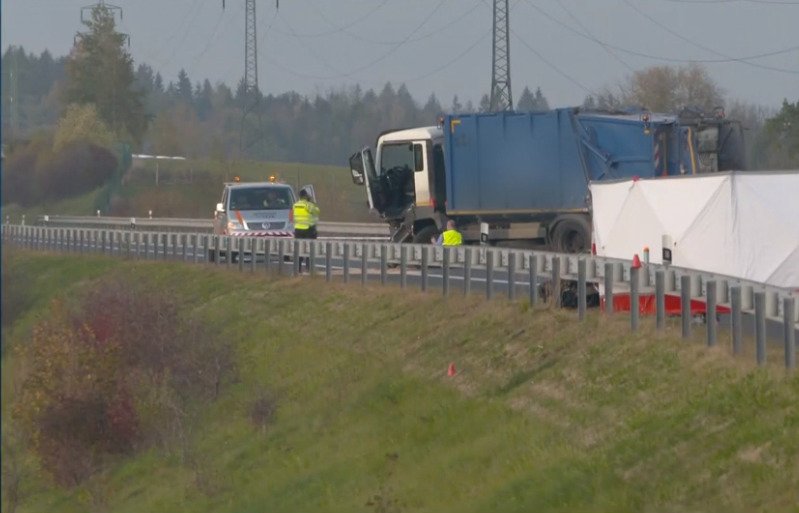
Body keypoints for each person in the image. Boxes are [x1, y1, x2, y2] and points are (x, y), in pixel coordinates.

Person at [292, 190, 320, 272]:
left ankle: (298, 268)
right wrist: (312, 202)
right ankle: (309, 268)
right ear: (305, 196)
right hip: (308, 229)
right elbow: (317, 211)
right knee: (309, 249)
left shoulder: (295, 205)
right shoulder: (308, 205)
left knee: (299, 249)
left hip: (298, 229)